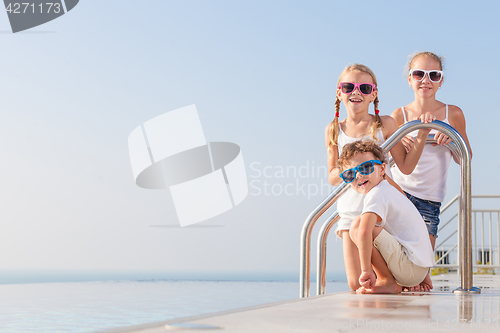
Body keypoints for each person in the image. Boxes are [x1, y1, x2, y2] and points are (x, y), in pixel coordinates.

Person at [325, 63, 433, 291]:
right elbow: (333, 176)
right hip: (350, 208)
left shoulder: (384, 123)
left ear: (373, 93)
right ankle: (395, 284)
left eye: (364, 87)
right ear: (339, 92)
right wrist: (354, 169)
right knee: (356, 285)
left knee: (383, 274)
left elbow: (405, 166)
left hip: (381, 209)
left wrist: (422, 133)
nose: (356, 92)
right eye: (348, 86)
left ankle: (399, 281)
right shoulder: (333, 128)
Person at [391, 52, 472, 251]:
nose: (426, 80)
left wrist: (453, 140)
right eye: (419, 74)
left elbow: (466, 158)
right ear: (410, 79)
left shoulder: (452, 114)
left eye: (433, 75)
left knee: (421, 266)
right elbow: (391, 158)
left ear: (440, 81)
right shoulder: (398, 116)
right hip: (398, 192)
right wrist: (401, 138)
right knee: (395, 262)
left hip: (430, 199)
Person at [337, 140, 435, 294]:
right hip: (418, 268)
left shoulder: (376, 193)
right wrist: (422, 272)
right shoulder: (387, 190)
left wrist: (366, 270)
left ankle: (387, 281)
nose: (359, 175)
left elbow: (363, 232)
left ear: (383, 168)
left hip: (411, 268)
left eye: (366, 167)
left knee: (357, 225)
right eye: (350, 174)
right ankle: (393, 279)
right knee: (363, 224)